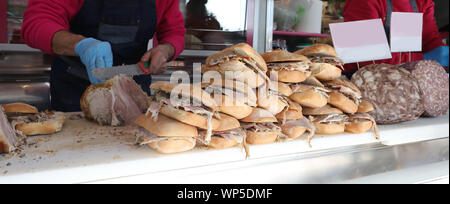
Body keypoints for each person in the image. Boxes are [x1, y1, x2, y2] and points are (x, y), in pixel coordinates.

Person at [21, 0, 186, 112]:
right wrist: (80, 45)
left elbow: (174, 32)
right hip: (75, 91)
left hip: (134, 90)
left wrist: (165, 50)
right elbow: (37, 22)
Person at [342, 0, 449, 75]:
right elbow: (363, 56)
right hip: (360, 81)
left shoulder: (422, 2)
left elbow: (430, 41)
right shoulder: (358, 2)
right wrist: (422, 59)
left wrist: (443, 54)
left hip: (405, 83)